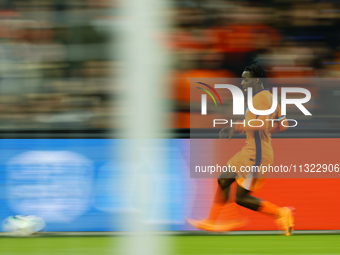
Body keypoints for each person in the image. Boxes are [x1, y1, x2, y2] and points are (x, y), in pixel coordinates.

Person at [186, 62, 295, 236]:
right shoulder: (270, 97)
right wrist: (265, 131)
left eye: (246, 80)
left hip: (256, 155)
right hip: (251, 150)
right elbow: (284, 125)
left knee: (241, 198)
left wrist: (235, 127)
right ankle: (214, 220)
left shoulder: (260, 98)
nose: (242, 83)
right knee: (223, 179)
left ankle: (280, 213)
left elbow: (261, 124)